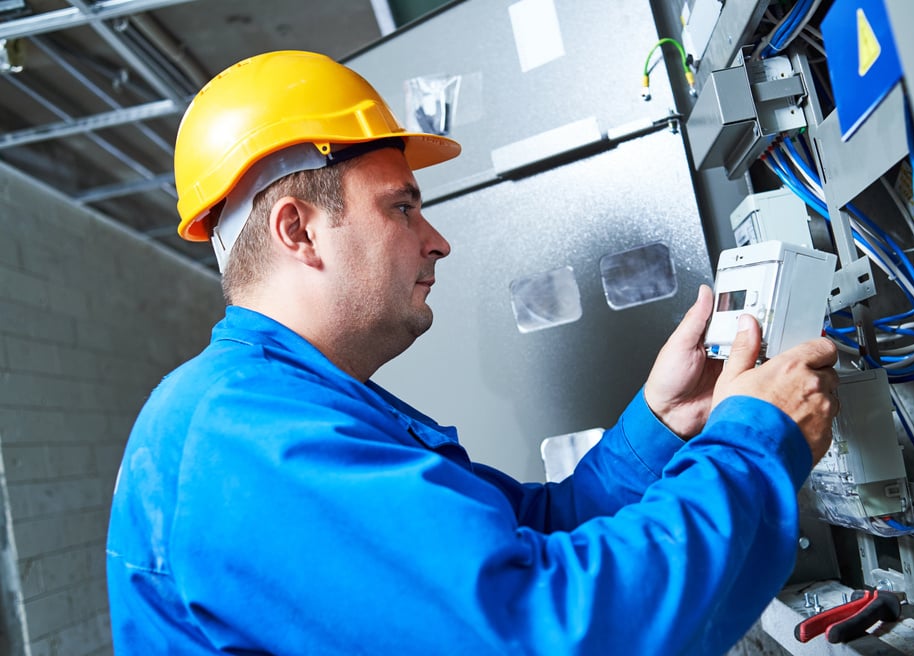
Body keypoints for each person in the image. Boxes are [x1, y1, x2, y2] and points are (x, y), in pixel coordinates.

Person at [106, 50, 839, 655]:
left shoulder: (298, 404)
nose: (437, 240)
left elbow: (534, 533)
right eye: (401, 206)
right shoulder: (245, 436)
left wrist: (662, 419)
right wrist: (755, 442)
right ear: (299, 231)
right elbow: (544, 631)